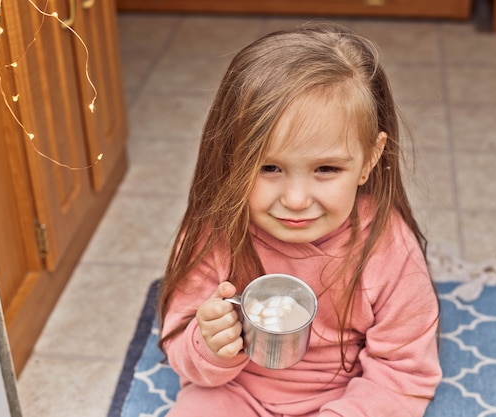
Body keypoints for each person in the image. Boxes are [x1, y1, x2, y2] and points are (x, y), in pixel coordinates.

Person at [157, 21, 441, 417]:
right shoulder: (214, 233)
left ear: (370, 160)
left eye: (326, 169)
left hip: (347, 399)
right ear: (230, 157)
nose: (295, 200)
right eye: (269, 168)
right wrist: (208, 343)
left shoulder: (389, 248)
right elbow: (180, 350)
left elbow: (404, 373)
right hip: (234, 393)